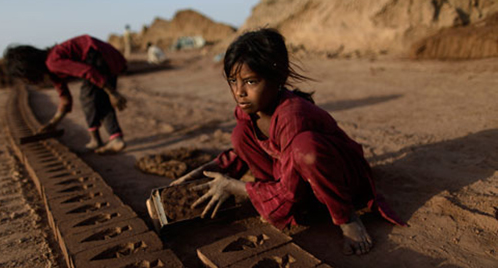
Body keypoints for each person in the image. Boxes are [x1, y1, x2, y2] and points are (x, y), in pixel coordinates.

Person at [171, 28, 405, 255]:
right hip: (293, 173)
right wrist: (202, 173)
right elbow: (238, 154)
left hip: (339, 178)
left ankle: (346, 217)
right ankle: (273, 196)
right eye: (233, 81)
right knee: (240, 134)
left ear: (278, 79)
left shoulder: (292, 115)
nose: (239, 91)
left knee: (305, 150)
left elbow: (296, 176)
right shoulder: (249, 110)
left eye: (251, 82)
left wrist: (235, 187)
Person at [4, 34, 128, 154]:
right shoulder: (52, 69)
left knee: (88, 98)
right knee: (101, 101)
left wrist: (113, 92)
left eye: (25, 77)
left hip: (99, 55)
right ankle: (116, 139)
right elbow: (65, 99)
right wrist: (53, 123)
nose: (27, 81)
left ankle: (96, 141)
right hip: (104, 55)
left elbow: (88, 71)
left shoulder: (53, 62)